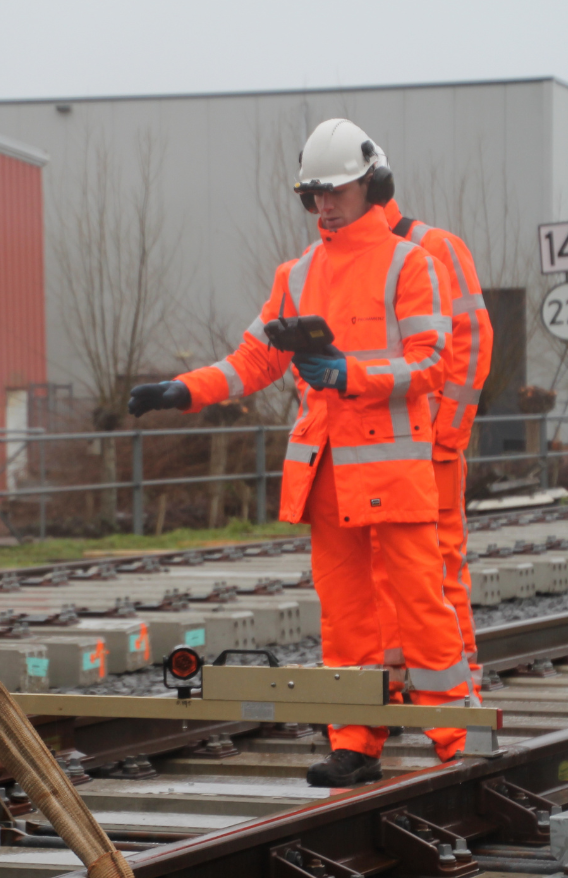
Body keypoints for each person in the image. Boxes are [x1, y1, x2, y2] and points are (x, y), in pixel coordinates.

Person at [128, 119, 474, 786]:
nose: (324, 205)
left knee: (421, 605)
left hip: (393, 474)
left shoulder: (411, 265)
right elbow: (251, 361)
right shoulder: (298, 274)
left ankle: (456, 734)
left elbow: (433, 363)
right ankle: (354, 743)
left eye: (335, 191)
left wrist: (353, 375)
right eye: (313, 194)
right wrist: (182, 390)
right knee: (346, 619)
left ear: (369, 185)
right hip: (327, 480)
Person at [371, 180, 494, 703]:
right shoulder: (361, 258)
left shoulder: (436, 247)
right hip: (382, 447)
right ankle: (395, 680)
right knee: (381, 566)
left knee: (440, 563)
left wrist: (447, 434)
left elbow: (473, 339)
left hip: (427, 444)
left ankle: (460, 685)